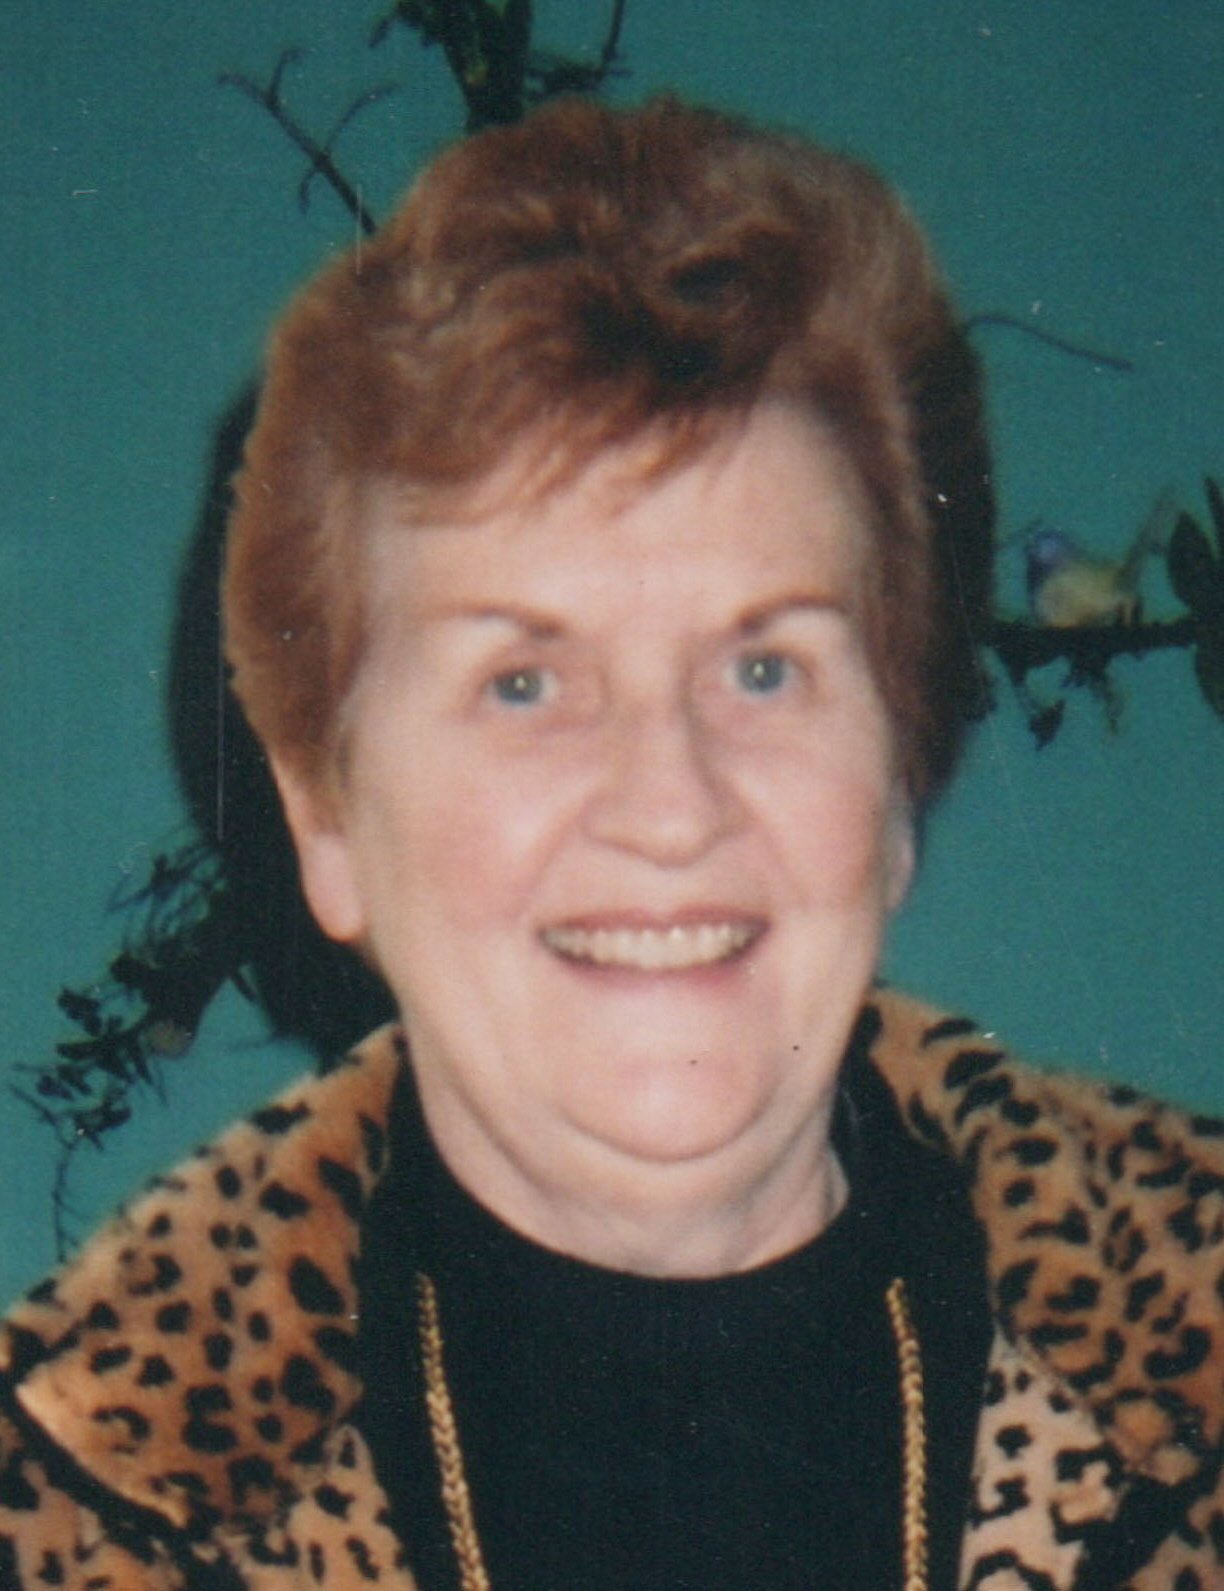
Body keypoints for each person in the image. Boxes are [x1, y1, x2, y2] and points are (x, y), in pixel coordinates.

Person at [1, 95, 1222, 1591]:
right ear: (326, 814)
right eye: (525, 684)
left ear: (900, 759)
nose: (669, 806)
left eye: (763, 668)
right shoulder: (62, 1513)